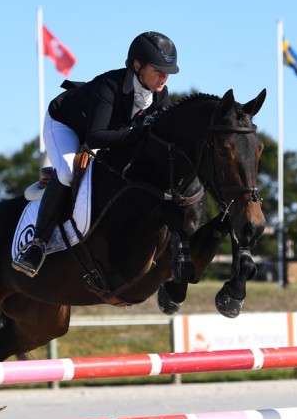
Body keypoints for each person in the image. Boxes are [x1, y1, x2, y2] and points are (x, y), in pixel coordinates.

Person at [12, 31, 180, 277]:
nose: (164, 77)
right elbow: (95, 138)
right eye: (158, 69)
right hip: (65, 124)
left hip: (107, 132)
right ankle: (37, 244)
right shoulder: (108, 87)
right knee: (69, 171)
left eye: (168, 71)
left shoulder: (160, 95)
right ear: (137, 66)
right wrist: (139, 134)